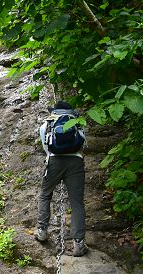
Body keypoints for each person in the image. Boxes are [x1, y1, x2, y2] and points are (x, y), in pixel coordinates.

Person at [34, 100, 88, 256]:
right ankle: (78, 244)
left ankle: (42, 231)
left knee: (45, 194)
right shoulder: (78, 123)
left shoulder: (47, 125)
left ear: (54, 112)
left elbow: (46, 147)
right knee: (77, 202)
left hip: (54, 161)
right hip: (76, 162)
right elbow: (84, 143)